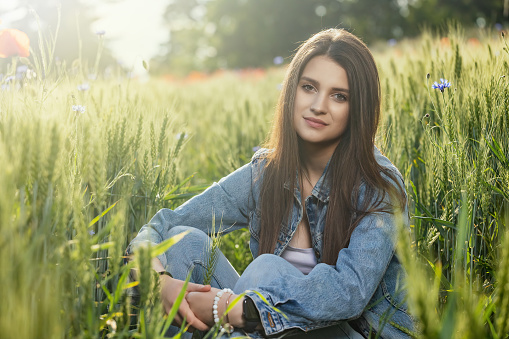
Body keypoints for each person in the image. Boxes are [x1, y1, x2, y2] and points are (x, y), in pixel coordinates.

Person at [126, 28, 416, 339]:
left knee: (268, 269)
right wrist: (158, 281)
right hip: (264, 328)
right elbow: (163, 224)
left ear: (357, 108)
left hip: (355, 334)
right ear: (292, 91)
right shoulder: (266, 173)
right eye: (309, 87)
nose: (318, 105)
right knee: (182, 240)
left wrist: (239, 310)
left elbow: (350, 293)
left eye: (339, 96)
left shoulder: (378, 184)